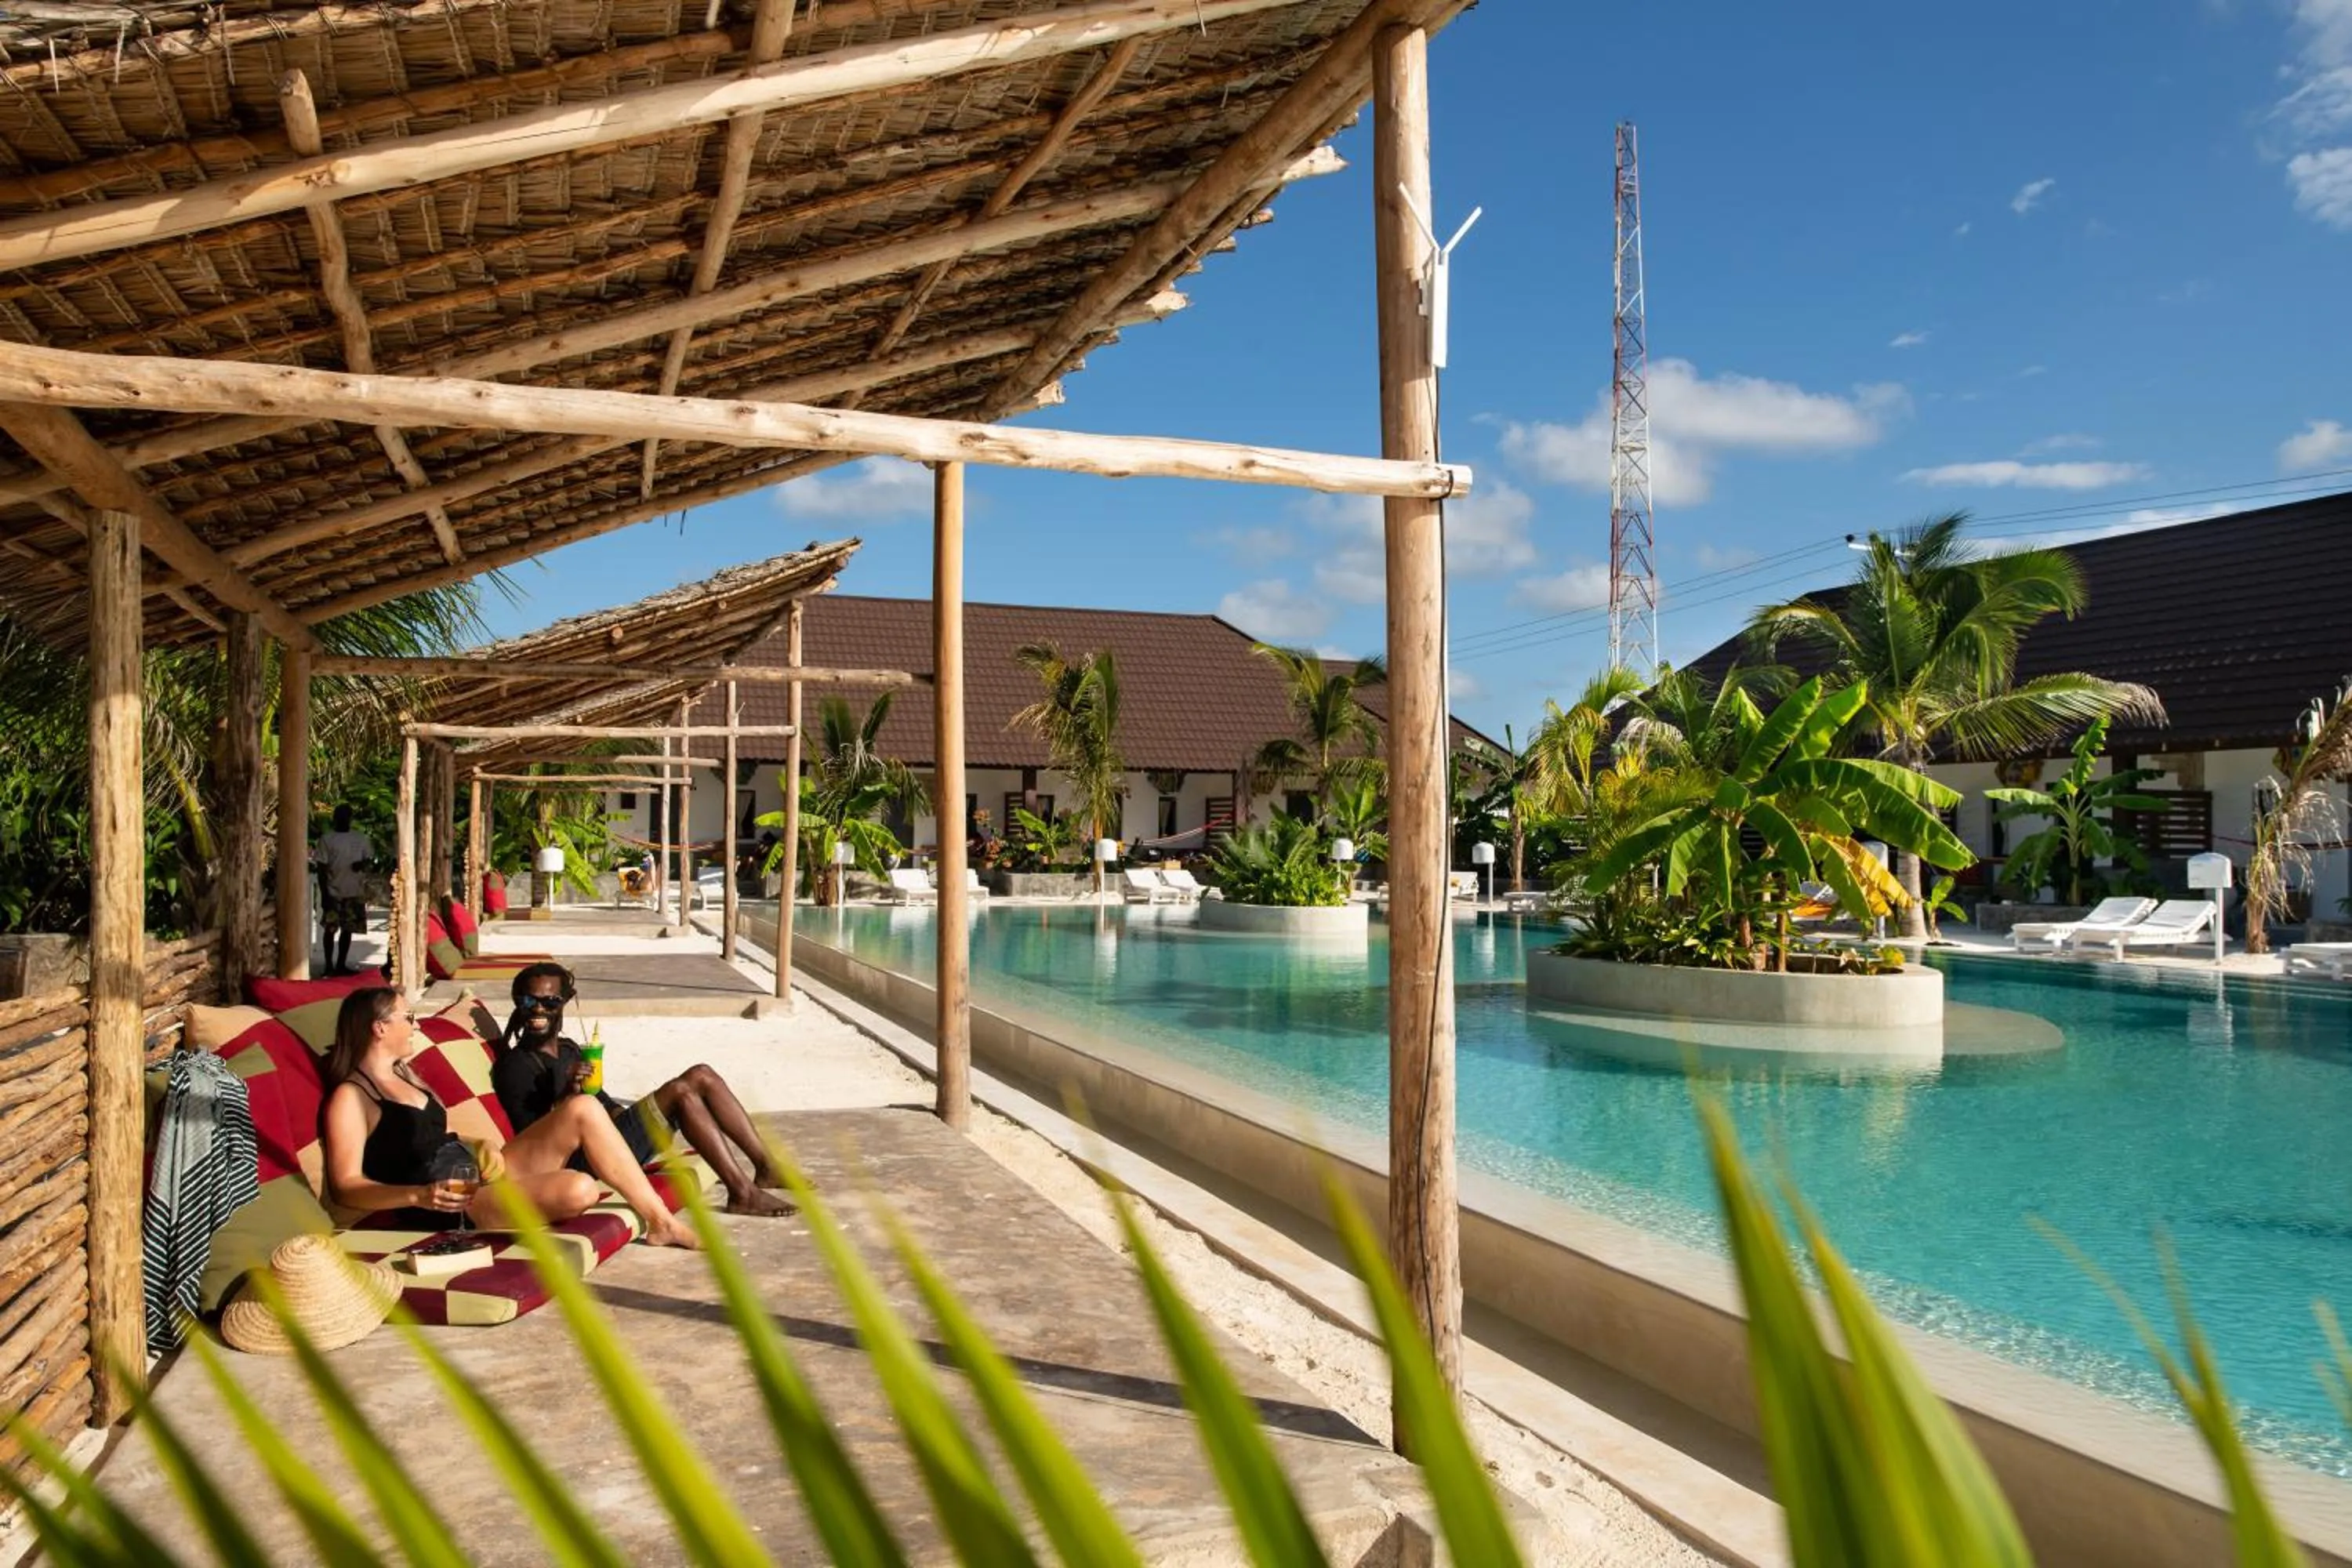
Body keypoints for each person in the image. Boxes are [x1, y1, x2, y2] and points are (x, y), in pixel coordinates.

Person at [320, 987, 698, 1248]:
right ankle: (537, 1198)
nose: (416, 1024)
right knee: (580, 1188)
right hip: (448, 1207)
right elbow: (345, 1186)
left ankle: (661, 1221)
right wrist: (419, 1196)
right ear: (380, 1027)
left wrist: (476, 1142)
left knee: (584, 1107)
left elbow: (436, 1135)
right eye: (409, 1017)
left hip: (474, 1173)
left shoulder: (407, 1077)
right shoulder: (352, 1098)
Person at [489, 963, 793, 1218]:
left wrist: (634, 1120)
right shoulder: (516, 1066)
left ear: (566, 1002)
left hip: (608, 1140)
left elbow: (602, 1100)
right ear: (518, 1002)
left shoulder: (569, 1050)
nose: (538, 1010)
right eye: (529, 1002)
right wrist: (568, 1094)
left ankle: (766, 1167)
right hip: (580, 1162)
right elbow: (533, 1140)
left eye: (550, 1001)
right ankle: (742, 1193)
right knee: (682, 1092)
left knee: (702, 1074)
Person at [313, 804, 375, 977]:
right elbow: (321, 869)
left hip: (354, 892)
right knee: (330, 930)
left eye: (346, 816)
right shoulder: (327, 839)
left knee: (348, 930)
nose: (343, 819)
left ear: (350, 819)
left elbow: (369, 861)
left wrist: (362, 865)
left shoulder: (360, 839)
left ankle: (341, 964)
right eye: (340, 816)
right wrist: (325, 895)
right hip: (334, 892)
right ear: (335, 818)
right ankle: (328, 966)